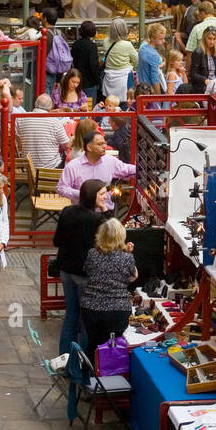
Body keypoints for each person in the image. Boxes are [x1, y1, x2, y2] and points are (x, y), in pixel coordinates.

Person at [53, 178, 110, 356]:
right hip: (86, 275)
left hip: (66, 271)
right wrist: (106, 211)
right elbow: (111, 239)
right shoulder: (98, 219)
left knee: (70, 315)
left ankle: (65, 356)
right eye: (102, 193)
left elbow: (57, 241)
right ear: (93, 196)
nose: (106, 196)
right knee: (86, 319)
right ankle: (82, 360)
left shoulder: (67, 212)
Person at [81, 218, 137, 363]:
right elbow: (132, 277)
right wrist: (128, 253)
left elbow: (88, 271)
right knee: (112, 345)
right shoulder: (126, 258)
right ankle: (108, 374)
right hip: (117, 309)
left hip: (91, 306)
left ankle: (88, 375)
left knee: (93, 343)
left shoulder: (92, 254)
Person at [58, 128, 136, 207]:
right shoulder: (73, 166)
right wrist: (83, 194)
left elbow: (130, 170)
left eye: (104, 143)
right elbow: (62, 188)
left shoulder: (110, 161)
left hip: (105, 211)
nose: (104, 146)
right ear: (89, 147)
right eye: (100, 144)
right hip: (82, 211)